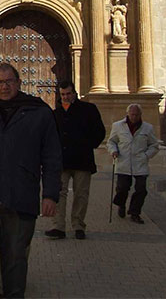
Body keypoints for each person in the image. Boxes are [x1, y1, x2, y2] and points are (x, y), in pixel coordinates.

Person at [0, 63, 61, 298]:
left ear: (18, 83)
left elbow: (52, 156)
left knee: (15, 261)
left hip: (20, 199)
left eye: (9, 82)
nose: (4, 87)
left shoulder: (39, 113)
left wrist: (50, 194)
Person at [45, 81, 105, 240]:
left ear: (74, 93)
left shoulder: (88, 110)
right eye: (63, 94)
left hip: (82, 160)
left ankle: (78, 225)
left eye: (68, 94)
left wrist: (87, 146)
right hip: (62, 161)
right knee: (59, 193)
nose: (65, 97)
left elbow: (99, 132)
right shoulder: (56, 113)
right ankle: (58, 226)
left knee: (81, 194)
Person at [107, 104, 160, 224]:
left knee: (141, 189)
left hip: (140, 163)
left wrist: (146, 155)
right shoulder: (118, 126)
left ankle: (135, 212)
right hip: (123, 162)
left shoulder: (148, 128)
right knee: (122, 188)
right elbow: (111, 142)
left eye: (136, 115)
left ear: (140, 115)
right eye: (132, 114)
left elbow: (154, 145)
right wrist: (113, 150)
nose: (134, 117)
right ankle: (121, 204)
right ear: (127, 114)